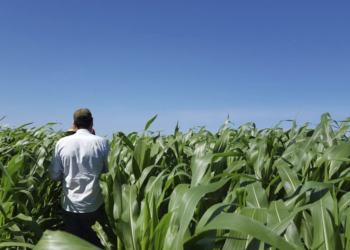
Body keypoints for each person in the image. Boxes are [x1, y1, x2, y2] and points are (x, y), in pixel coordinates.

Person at [48, 108, 110, 248]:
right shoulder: (102, 143)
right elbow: (109, 171)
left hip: (70, 205)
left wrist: (67, 176)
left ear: (74, 124)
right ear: (92, 123)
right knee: (96, 243)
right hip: (93, 205)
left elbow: (53, 174)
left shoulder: (62, 143)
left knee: (74, 245)